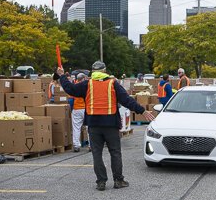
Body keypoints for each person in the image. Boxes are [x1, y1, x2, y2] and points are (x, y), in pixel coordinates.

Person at [58, 61, 155, 191]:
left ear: (92, 72)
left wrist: (62, 76)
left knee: (97, 154)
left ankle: (101, 182)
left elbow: (70, 89)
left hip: (94, 125)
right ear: (104, 71)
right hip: (110, 125)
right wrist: (142, 110)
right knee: (115, 152)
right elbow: (126, 100)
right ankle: (118, 180)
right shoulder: (112, 84)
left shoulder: (87, 84)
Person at [70, 72, 87, 152]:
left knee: (76, 128)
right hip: (86, 109)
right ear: (83, 78)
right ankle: (91, 145)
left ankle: (76, 145)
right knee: (89, 127)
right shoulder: (86, 86)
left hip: (76, 108)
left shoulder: (74, 86)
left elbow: (70, 99)